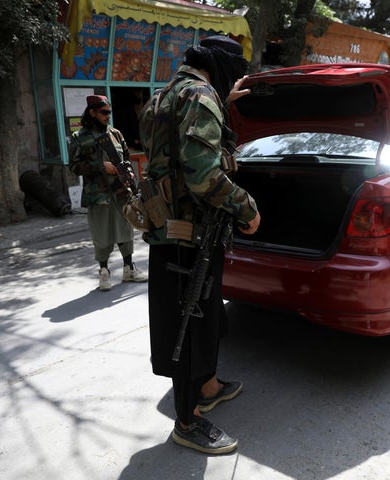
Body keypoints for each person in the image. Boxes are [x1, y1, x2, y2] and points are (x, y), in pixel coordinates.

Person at [138, 35, 260, 454]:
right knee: (188, 326)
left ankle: (207, 386)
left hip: (170, 229)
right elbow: (203, 175)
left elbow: (175, 150)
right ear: (220, 66)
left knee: (197, 318)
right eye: (234, 71)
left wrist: (223, 104)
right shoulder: (202, 95)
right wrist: (247, 208)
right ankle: (188, 421)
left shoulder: (165, 94)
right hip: (191, 235)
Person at [68, 95, 148, 291]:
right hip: (99, 194)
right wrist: (100, 166)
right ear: (92, 112)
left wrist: (129, 173)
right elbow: (74, 166)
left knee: (126, 230)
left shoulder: (116, 134)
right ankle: (104, 272)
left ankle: (129, 268)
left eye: (109, 112)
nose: (107, 116)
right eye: (103, 112)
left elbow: (126, 158)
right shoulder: (80, 137)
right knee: (102, 233)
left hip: (121, 191)